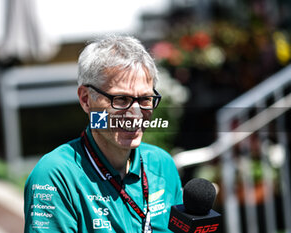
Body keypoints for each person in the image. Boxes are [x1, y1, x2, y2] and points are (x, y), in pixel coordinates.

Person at [24, 35, 183, 233]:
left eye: (145, 99)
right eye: (121, 99)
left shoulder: (162, 164)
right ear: (86, 99)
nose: (135, 114)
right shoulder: (56, 175)